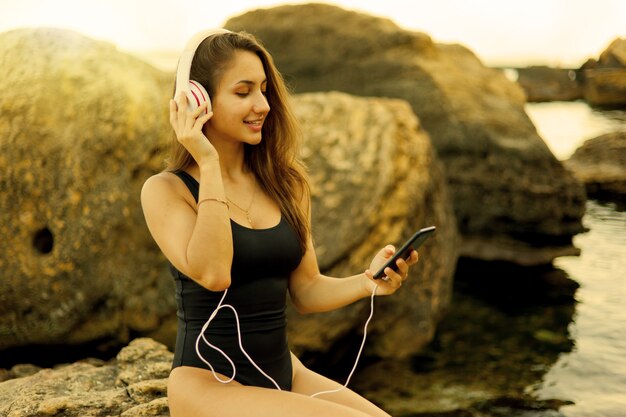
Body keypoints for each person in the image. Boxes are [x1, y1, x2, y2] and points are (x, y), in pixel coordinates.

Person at [141, 29, 419, 417]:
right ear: (195, 100)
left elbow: (306, 291)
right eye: (243, 92)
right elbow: (213, 273)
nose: (262, 105)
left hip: (284, 373)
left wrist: (368, 282)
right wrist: (208, 162)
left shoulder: (287, 183)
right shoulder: (166, 190)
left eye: (264, 90)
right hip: (209, 386)